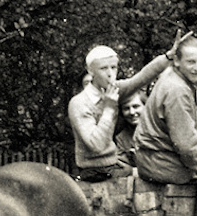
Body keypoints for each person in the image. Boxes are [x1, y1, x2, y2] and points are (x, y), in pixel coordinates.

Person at [68, 32, 190, 182]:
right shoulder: (79, 103)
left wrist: (168, 56)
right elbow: (96, 145)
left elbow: (140, 79)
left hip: (114, 166)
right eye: (103, 68)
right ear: (90, 71)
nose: (110, 74)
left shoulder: (113, 89)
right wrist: (109, 108)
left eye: (113, 67)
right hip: (94, 171)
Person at [134, 36, 197, 184]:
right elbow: (185, 143)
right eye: (191, 62)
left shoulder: (171, 77)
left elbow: (188, 133)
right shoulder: (178, 90)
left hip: (151, 159)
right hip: (161, 164)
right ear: (177, 61)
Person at [114, 90, 146, 171]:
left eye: (136, 106)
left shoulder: (159, 129)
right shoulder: (121, 138)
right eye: (126, 108)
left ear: (146, 106)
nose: (131, 112)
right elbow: (122, 168)